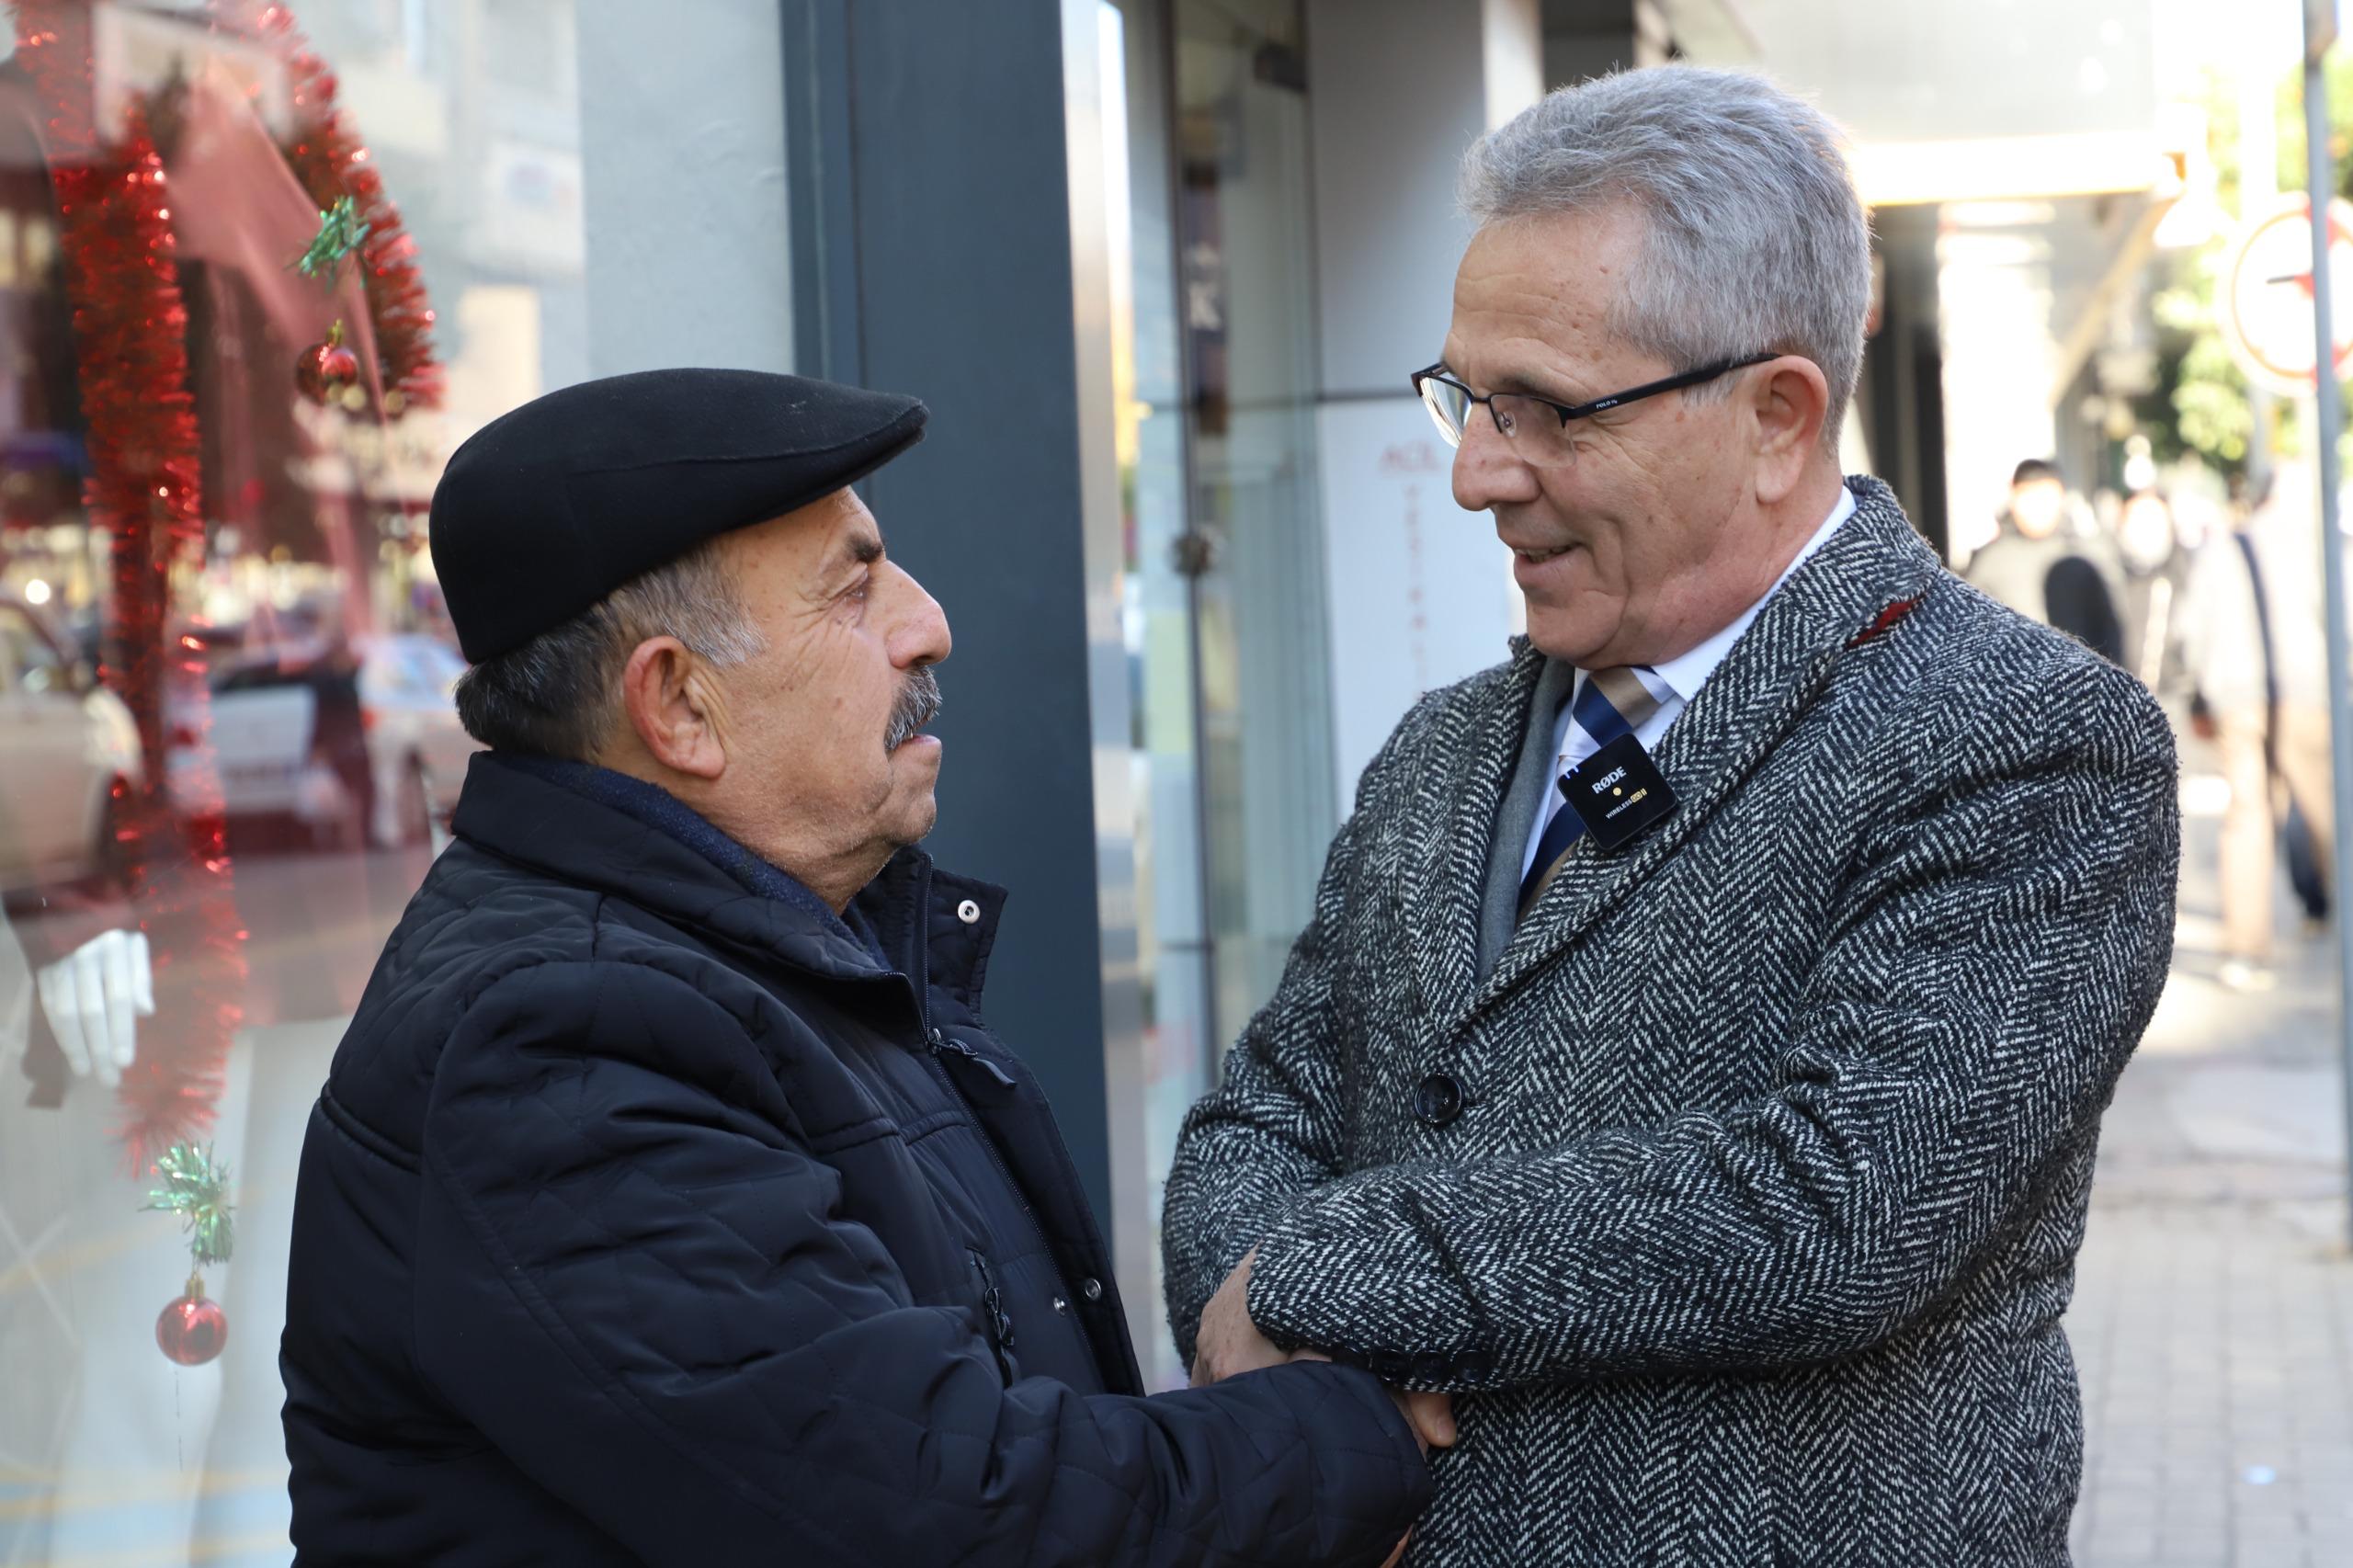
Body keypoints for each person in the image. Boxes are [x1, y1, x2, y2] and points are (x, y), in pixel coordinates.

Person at [1163, 66, 2177, 1565]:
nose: (1476, 474)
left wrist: (1306, 1279)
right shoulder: (1446, 747)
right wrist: (1257, 1347)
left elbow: (1832, 1208)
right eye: (1467, 398)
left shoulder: (2025, 741)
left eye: (1545, 411)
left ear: (1777, 416)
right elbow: (1262, 1109)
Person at [279, 369, 1443, 1566]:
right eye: (853, 587)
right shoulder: (558, 1044)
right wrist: (1351, 1437)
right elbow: (945, 1511)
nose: (927, 622)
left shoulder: (773, 949)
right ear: (678, 703)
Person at [2180, 462, 2336, 990]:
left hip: (2235, 697)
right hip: (2306, 693)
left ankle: (2245, 952)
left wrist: (2207, 688)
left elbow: (2193, 626)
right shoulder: (2318, 545)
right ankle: (2329, 907)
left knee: (2247, 815)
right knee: (2326, 810)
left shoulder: (2222, 545)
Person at [1966, 457, 2127, 663]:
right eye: (2028, 496)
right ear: (2013, 497)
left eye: (2045, 496)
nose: (2037, 507)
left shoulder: (2089, 555)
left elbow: (2114, 627)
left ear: (2060, 496)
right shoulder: (1991, 562)